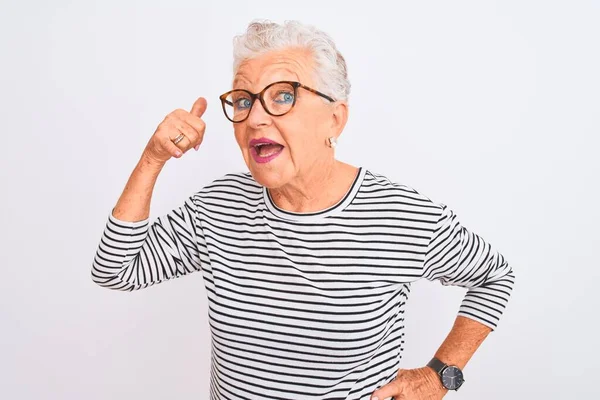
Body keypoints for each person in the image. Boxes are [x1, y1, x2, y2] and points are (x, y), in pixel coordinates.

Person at [91, 19, 515, 400]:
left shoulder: (402, 216)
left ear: (335, 119)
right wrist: (152, 159)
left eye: (282, 96)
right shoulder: (217, 207)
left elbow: (495, 276)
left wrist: (441, 375)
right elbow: (115, 270)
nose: (255, 117)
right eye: (243, 100)